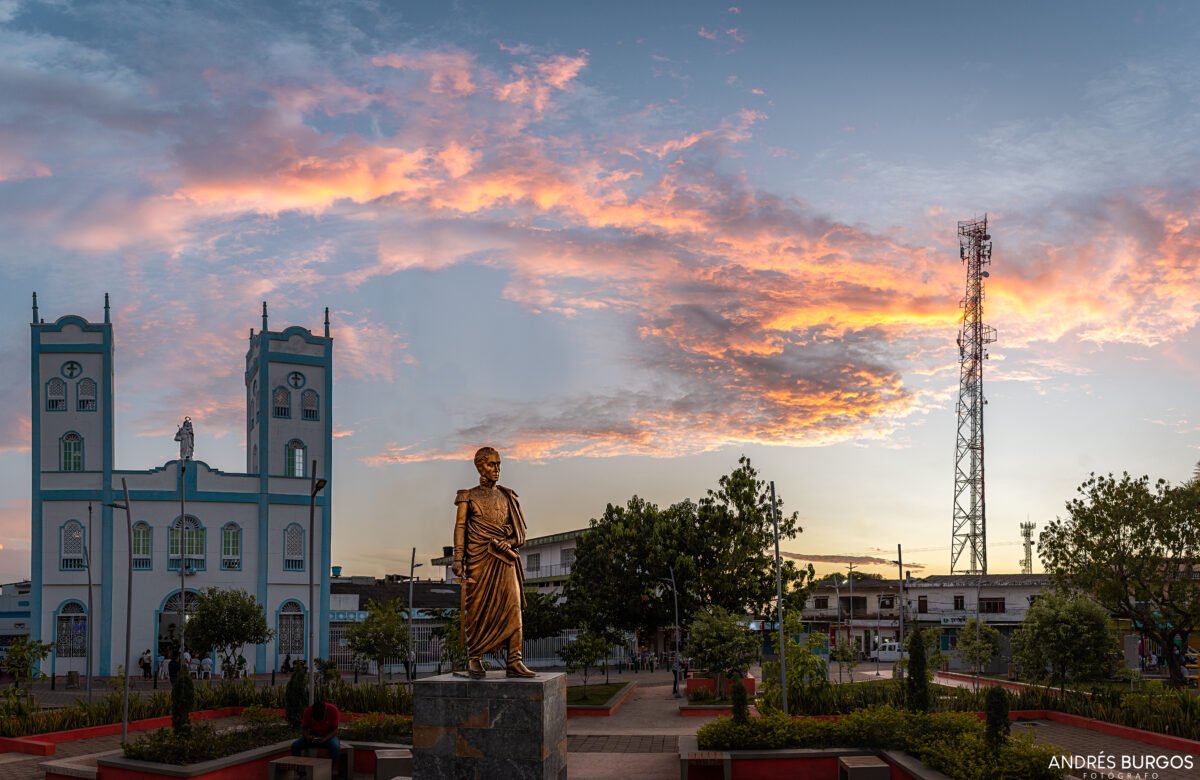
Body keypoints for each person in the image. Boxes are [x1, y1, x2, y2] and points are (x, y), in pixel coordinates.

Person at [452, 447, 535, 679]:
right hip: (479, 560)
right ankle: (474, 657)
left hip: (504, 559)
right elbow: (460, 527)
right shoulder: (468, 496)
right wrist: (458, 557)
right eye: (491, 464)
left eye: (499, 464)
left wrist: (507, 541)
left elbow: (518, 531)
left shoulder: (508, 496)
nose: (497, 469)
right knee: (477, 610)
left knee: (514, 606)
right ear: (479, 466)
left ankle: (515, 660)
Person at [292, 697, 342, 775]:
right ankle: (299, 770)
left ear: (325, 711)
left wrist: (325, 739)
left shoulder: (333, 710)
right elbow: (304, 729)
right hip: (313, 735)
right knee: (295, 745)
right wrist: (308, 736)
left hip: (328, 736)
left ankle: (333, 770)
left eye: (320, 719)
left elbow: (335, 730)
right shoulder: (307, 711)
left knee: (335, 747)